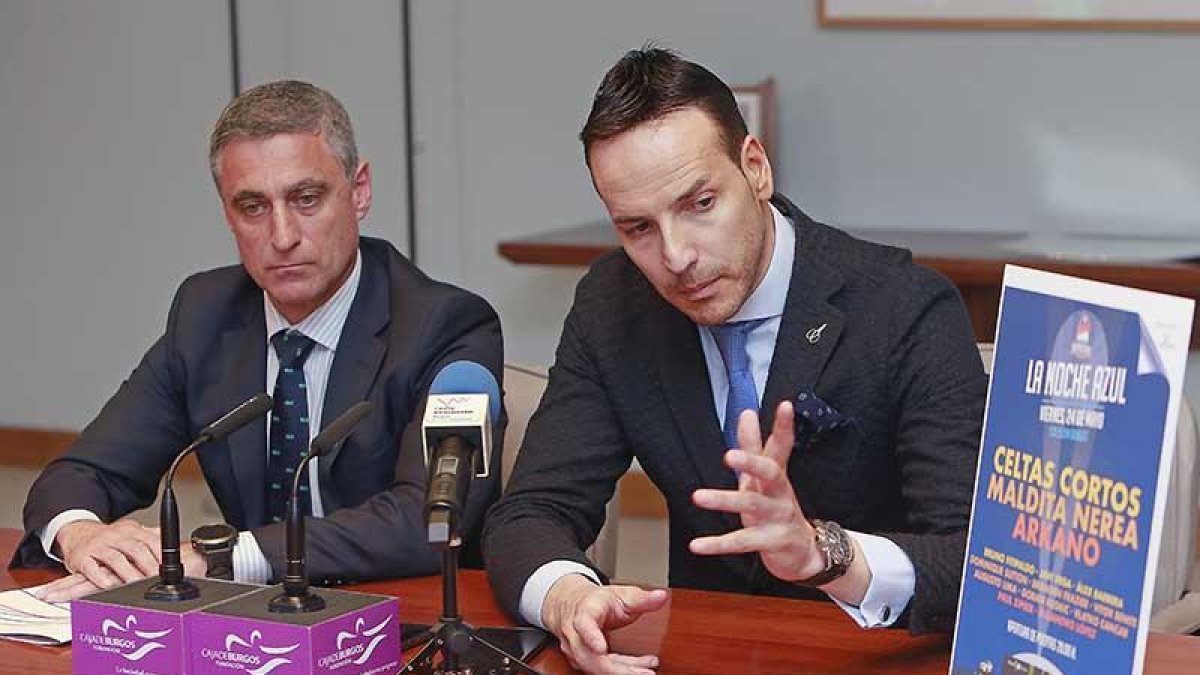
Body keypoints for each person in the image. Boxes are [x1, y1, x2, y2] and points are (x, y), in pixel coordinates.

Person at [483, 47, 987, 674]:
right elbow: (531, 510)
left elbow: (977, 562)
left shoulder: (903, 307)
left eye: (699, 204)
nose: (676, 256)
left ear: (754, 169)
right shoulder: (614, 304)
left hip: (873, 656)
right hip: (704, 652)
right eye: (638, 227)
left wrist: (824, 554)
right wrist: (568, 596)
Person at [14, 80, 504, 601]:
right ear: (227, 213)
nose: (283, 235)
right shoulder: (206, 315)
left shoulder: (445, 325)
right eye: (253, 207)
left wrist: (224, 555)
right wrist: (80, 532)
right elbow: (84, 471)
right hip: (254, 624)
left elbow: (422, 523)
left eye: (307, 199)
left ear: (359, 190)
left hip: (406, 615)